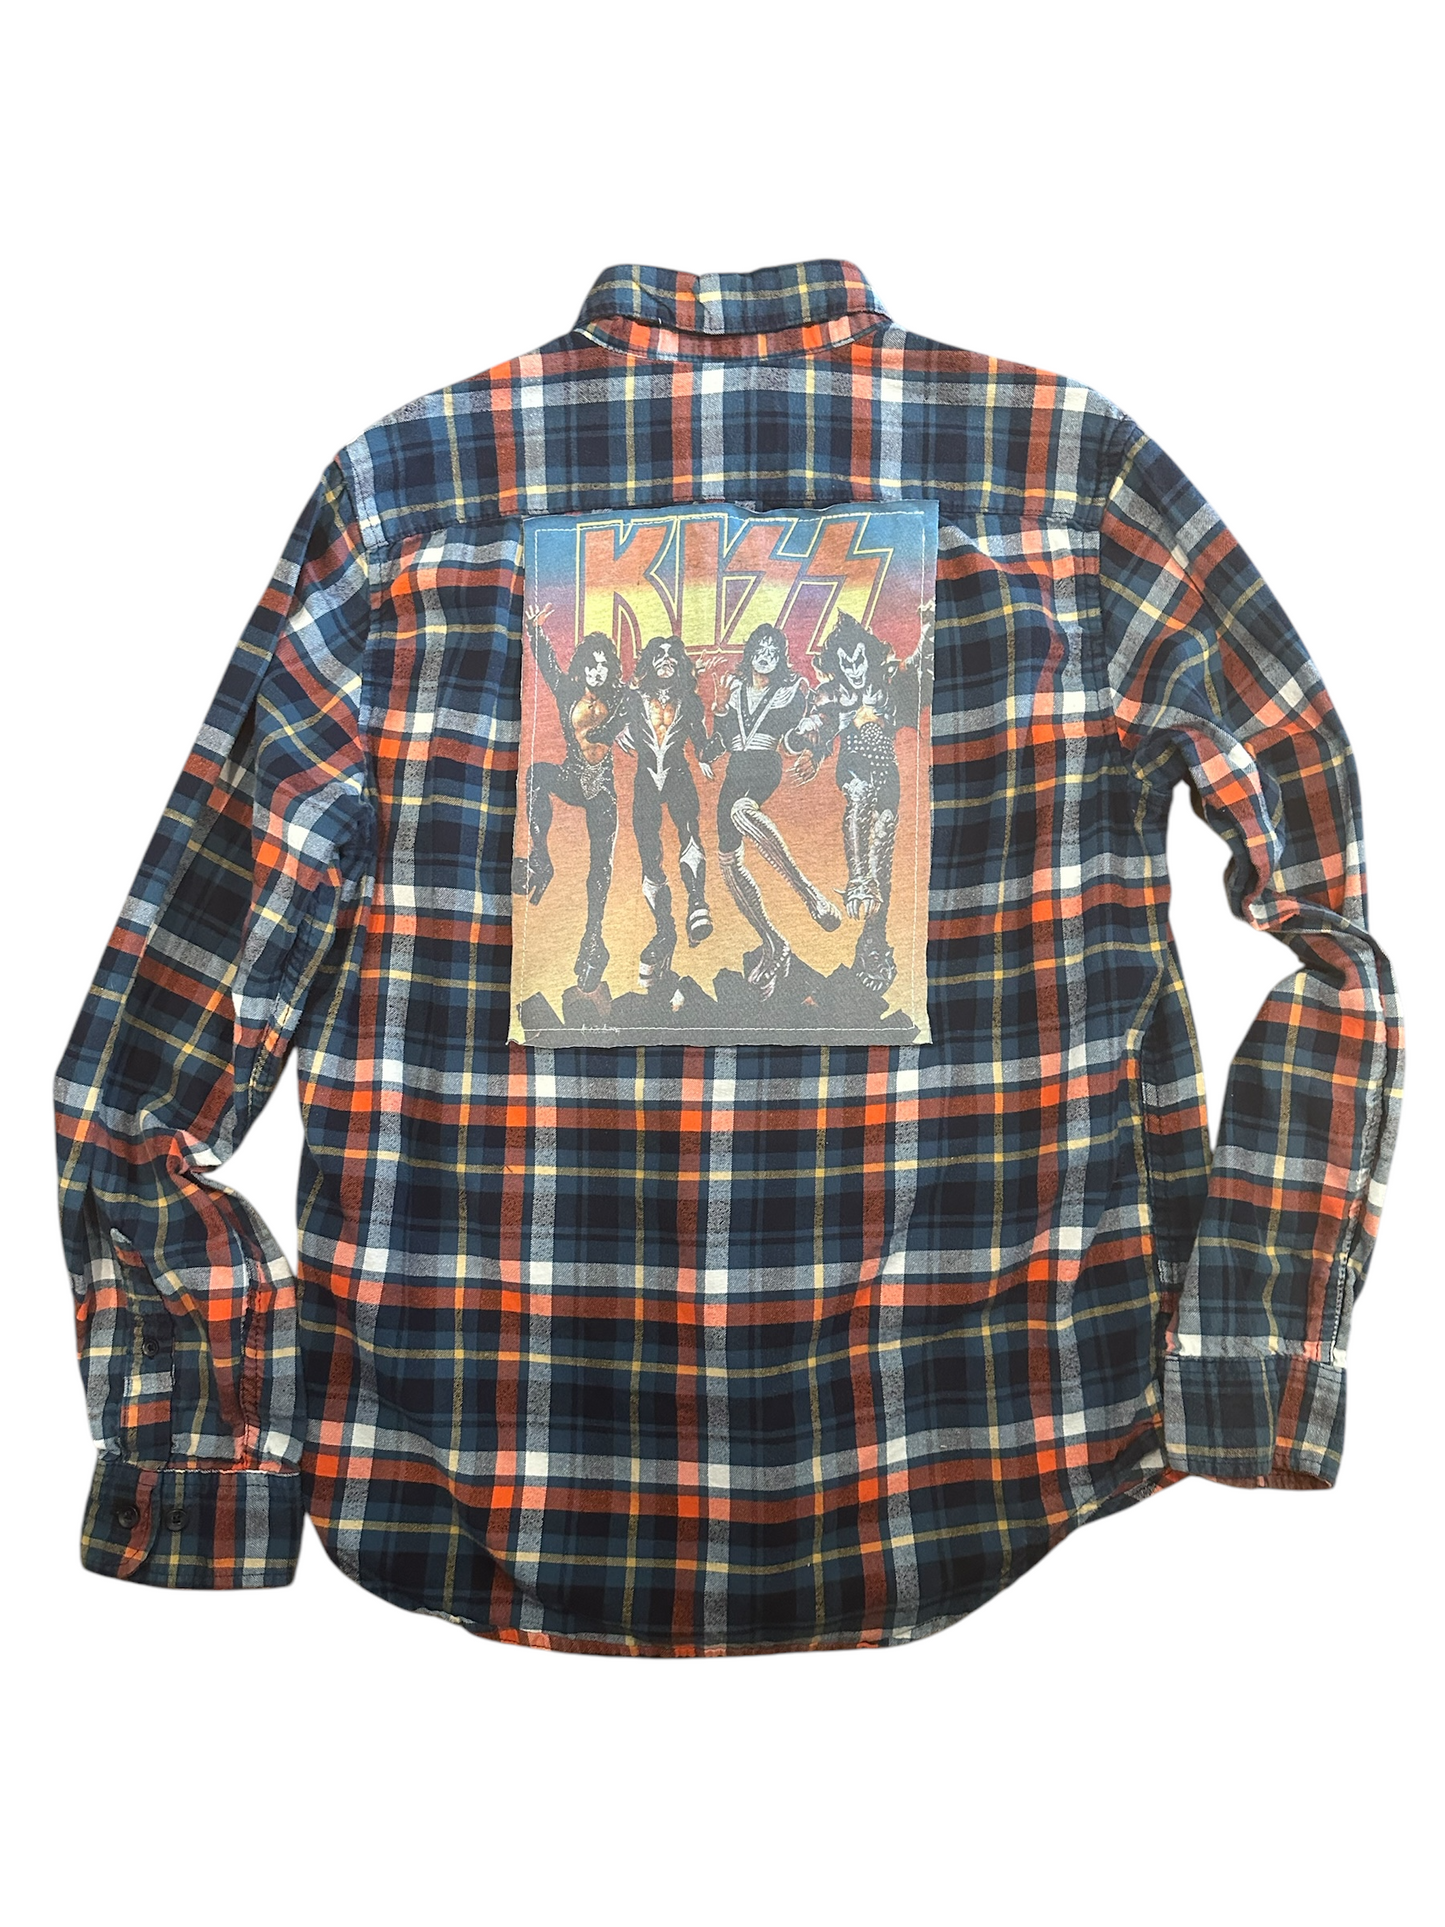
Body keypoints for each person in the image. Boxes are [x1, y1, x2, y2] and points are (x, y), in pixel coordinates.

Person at [791, 604, 931, 993]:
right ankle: (857, 880)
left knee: (884, 835)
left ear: (868, 657)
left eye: (858, 660)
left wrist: (927, 629)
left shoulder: (887, 684)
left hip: (887, 771)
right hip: (853, 766)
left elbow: (918, 667)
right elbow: (817, 724)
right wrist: (809, 743)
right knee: (859, 797)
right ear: (836, 664)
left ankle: (873, 938)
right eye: (846, 662)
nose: (854, 668)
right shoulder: (832, 693)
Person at [705, 621, 841, 998]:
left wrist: (813, 751)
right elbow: (723, 739)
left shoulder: (791, 690)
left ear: (781, 658)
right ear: (750, 652)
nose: (765, 657)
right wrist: (718, 711)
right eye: (760, 649)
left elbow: (799, 735)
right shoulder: (733, 689)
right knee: (729, 863)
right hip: (734, 772)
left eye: (773, 652)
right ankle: (773, 942)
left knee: (741, 812)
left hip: (764, 767)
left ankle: (809, 894)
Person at [591, 633, 714, 988]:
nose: (665, 659)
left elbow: (703, 745)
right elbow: (604, 730)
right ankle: (665, 930)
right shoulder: (632, 698)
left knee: (689, 835)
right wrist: (615, 731)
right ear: (648, 662)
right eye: (659, 654)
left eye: (672, 655)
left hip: (677, 774)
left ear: (680, 663)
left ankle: (697, 902)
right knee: (650, 856)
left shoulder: (690, 701)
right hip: (646, 779)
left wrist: (720, 717)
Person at [512, 601, 622, 992]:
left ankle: (594, 941)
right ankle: (540, 859)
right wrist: (535, 631)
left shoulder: (620, 697)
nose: (597, 670)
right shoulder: (568, 691)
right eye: (592, 664)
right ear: (582, 666)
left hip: (602, 793)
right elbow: (547, 665)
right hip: (574, 777)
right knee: (536, 776)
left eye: (604, 665)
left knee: (599, 872)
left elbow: (639, 706)